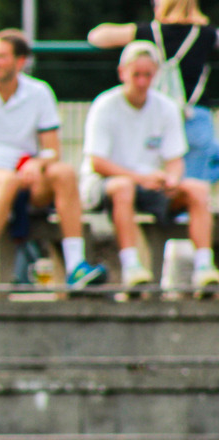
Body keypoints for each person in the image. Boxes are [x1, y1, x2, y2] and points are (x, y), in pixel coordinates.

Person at [0, 28, 107, 288]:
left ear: (20, 62)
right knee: (7, 180)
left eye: (2, 56)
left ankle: (77, 267)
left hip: (26, 181)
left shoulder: (40, 92)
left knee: (64, 173)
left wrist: (37, 162)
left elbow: (53, 151)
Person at [81, 41, 219, 291]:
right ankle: (131, 266)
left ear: (155, 74)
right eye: (136, 75)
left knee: (197, 189)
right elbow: (97, 162)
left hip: (148, 185)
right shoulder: (105, 105)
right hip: (104, 185)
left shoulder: (166, 107)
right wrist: (139, 178)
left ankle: (204, 268)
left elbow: (175, 161)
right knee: (123, 188)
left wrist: (172, 180)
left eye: (147, 75)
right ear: (122, 72)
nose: (142, 82)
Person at [88, 0, 219, 183]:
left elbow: (96, 37)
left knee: (159, 181)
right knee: (193, 185)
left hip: (156, 115)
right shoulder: (206, 34)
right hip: (195, 114)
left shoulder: (147, 32)